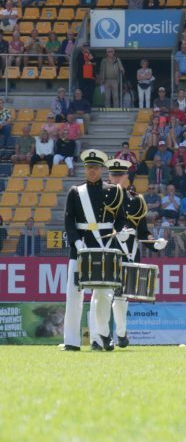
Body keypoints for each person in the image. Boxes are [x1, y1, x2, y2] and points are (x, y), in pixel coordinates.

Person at [61, 150, 128, 351]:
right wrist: (76, 242)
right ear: (85, 169)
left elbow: (121, 218)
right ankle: (71, 341)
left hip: (104, 247)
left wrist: (119, 232)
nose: (92, 171)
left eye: (95, 167)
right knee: (73, 296)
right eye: (89, 167)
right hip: (80, 248)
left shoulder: (114, 191)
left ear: (101, 169)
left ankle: (97, 340)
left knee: (101, 296)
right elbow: (68, 220)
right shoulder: (75, 192)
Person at [106, 159, 167, 348]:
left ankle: (121, 334)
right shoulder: (103, 197)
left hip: (129, 254)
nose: (117, 178)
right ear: (109, 176)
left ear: (126, 177)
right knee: (105, 295)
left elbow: (142, 231)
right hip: (108, 251)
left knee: (121, 297)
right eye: (114, 175)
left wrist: (154, 242)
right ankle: (104, 335)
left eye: (120, 175)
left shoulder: (135, 200)